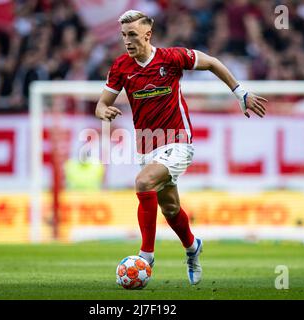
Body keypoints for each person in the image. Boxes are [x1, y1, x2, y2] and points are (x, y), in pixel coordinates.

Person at [95, 10, 267, 285]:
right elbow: (101, 103)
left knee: (143, 182)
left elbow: (211, 62)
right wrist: (103, 111)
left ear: (147, 35)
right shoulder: (120, 67)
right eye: (124, 35)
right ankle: (192, 247)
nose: (127, 41)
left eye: (133, 35)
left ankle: (146, 256)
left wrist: (240, 93)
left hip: (178, 141)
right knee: (171, 208)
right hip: (147, 147)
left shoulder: (171, 58)